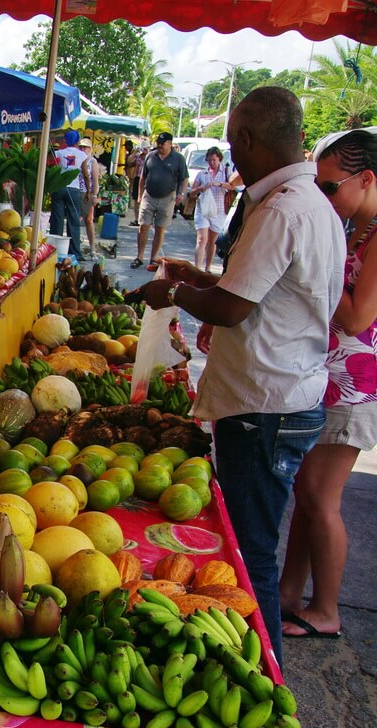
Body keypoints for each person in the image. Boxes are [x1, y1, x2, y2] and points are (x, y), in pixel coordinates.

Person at [134, 87, 346, 666]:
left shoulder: (280, 209)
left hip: (265, 406)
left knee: (251, 553)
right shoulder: (311, 203)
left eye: (233, 144)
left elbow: (233, 309)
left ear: (248, 140)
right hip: (285, 394)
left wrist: (172, 292)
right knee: (252, 543)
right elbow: (259, 290)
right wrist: (197, 274)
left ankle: (265, 669)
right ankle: (263, 660)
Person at [280, 130, 377, 640]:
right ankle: (289, 594)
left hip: (356, 385)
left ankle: (328, 610)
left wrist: (323, 271)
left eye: (331, 186)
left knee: (322, 497)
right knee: (306, 491)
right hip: (328, 377)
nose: (324, 196)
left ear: (366, 179)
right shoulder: (357, 228)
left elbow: (360, 317)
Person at [132, 132, 188, 268]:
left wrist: (181, 193)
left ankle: (153, 258)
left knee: (159, 228)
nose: (160, 146)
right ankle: (139, 256)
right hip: (149, 195)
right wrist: (140, 194)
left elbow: (184, 178)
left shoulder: (178, 158)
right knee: (143, 226)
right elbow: (143, 177)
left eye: (163, 144)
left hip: (167, 197)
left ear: (170, 144)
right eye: (158, 143)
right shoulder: (151, 156)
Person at [186, 146, 231, 272]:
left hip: (219, 210)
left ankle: (208, 267)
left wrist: (220, 184)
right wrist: (202, 188)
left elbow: (233, 186)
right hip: (203, 209)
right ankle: (197, 268)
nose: (212, 163)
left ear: (219, 160)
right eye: (209, 160)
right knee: (202, 239)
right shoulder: (202, 174)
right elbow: (192, 192)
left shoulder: (226, 173)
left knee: (213, 241)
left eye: (214, 160)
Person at [51, 130, 87, 260]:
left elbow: (53, 169)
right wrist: (88, 191)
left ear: (65, 140)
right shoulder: (82, 155)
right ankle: (75, 252)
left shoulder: (58, 153)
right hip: (74, 189)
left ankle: (53, 251)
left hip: (59, 187)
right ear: (77, 141)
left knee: (57, 219)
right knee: (74, 220)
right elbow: (85, 175)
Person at [78, 139, 101, 257]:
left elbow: (95, 180)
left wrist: (94, 195)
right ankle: (76, 245)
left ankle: (92, 247)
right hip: (77, 191)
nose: (82, 149)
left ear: (90, 149)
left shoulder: (92, 161)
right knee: (76, 219)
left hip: (88, 192)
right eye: (81, 147)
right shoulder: (77, 158)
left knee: (89, 220)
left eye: (85, 147)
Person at [125, 139, 146, 226]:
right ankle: (137, 219)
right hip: (137, 178)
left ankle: (144, 219)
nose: (144, 151)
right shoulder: (138, 157)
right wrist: (135, 152)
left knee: (145, 200)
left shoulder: (150, 158)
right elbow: (129, 162)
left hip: (147, 180)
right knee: (136, 199)